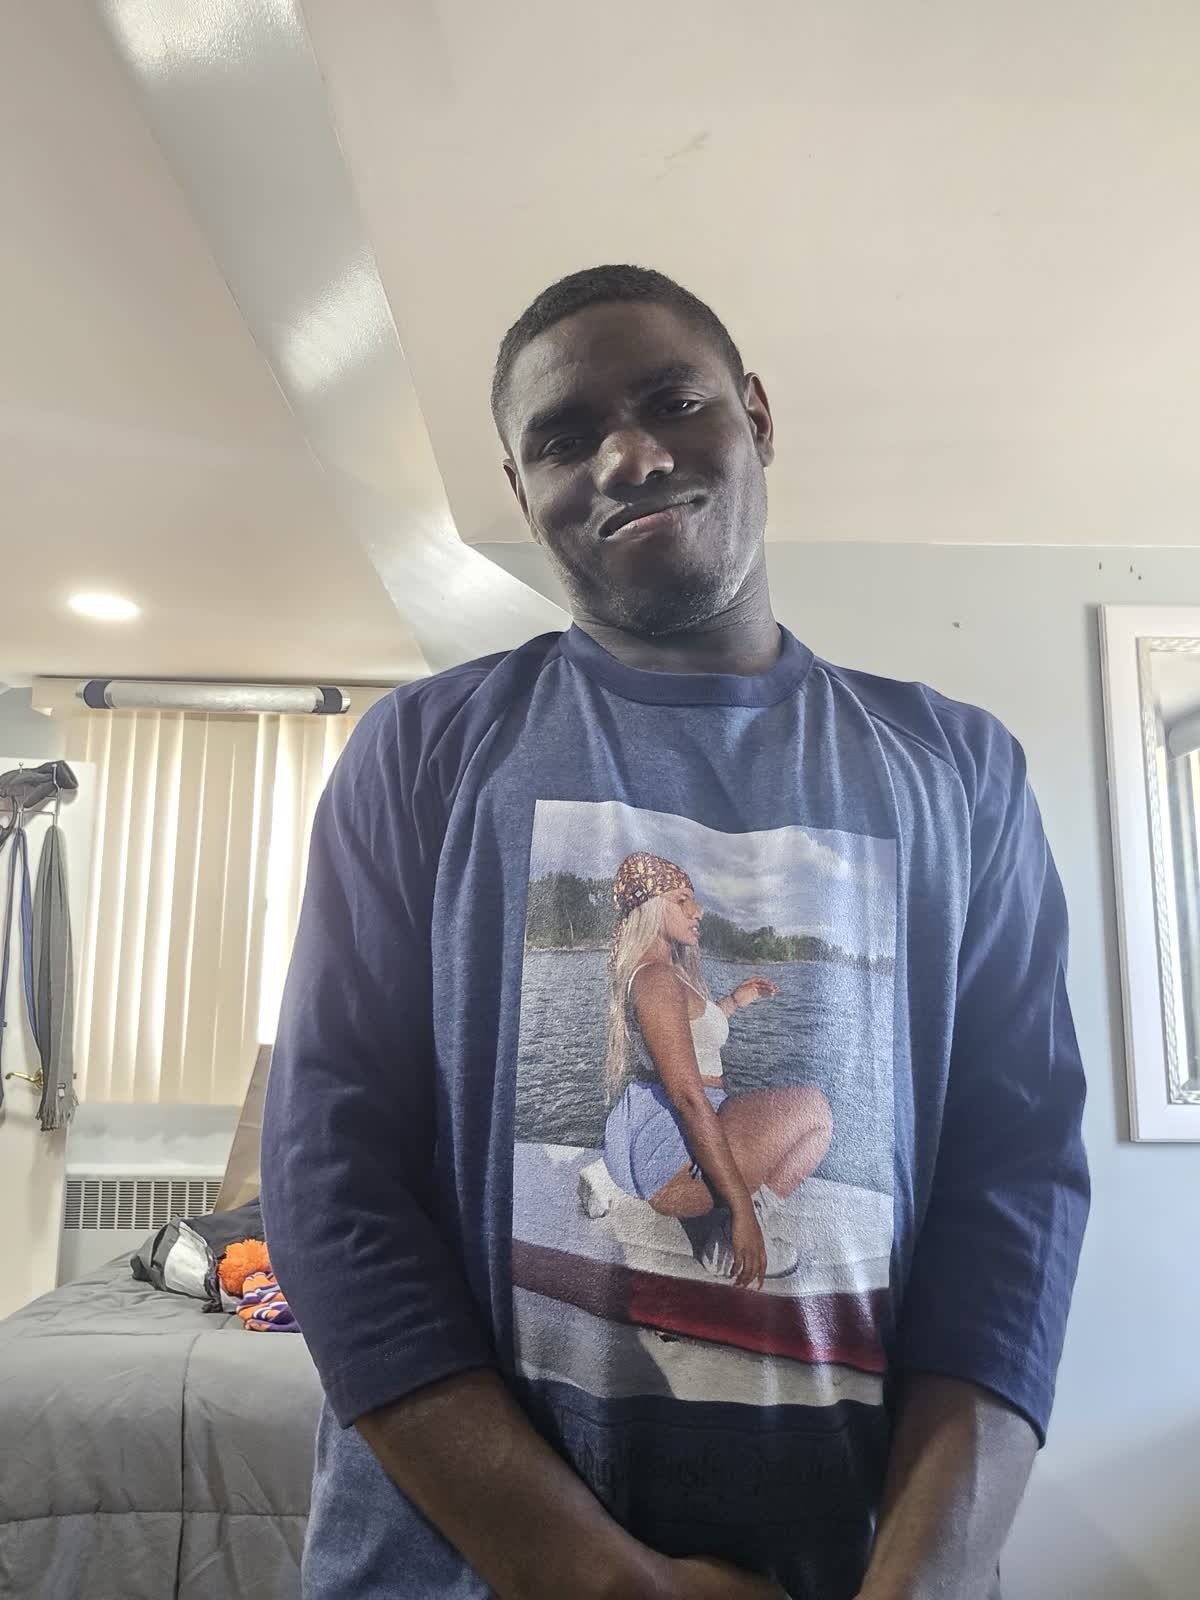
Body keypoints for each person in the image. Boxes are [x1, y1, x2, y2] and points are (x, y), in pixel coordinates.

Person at [261, 265, 1090, 1600]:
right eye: (563, 438)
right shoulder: (421, 753)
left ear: (754, 415)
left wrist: (921, 1577)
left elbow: (1018, 1192)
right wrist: (604, 1584)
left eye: (673, 401)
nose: (628, 456)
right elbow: (328, 1181)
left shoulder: (961, 770)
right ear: (523, 491)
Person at [598, 850, 833, 1288]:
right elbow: (688, 1098)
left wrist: (734, 1002)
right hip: (674, 1151)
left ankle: (615, 1179)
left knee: (798, 1108)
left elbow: (691, 1038)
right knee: (815, 1111)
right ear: (651, 907)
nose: (697, 910)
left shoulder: (665, 970)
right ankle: (727, 1237)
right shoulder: (656, 979)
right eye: (681, 899)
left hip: (666, 1127)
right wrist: (743, 1213)